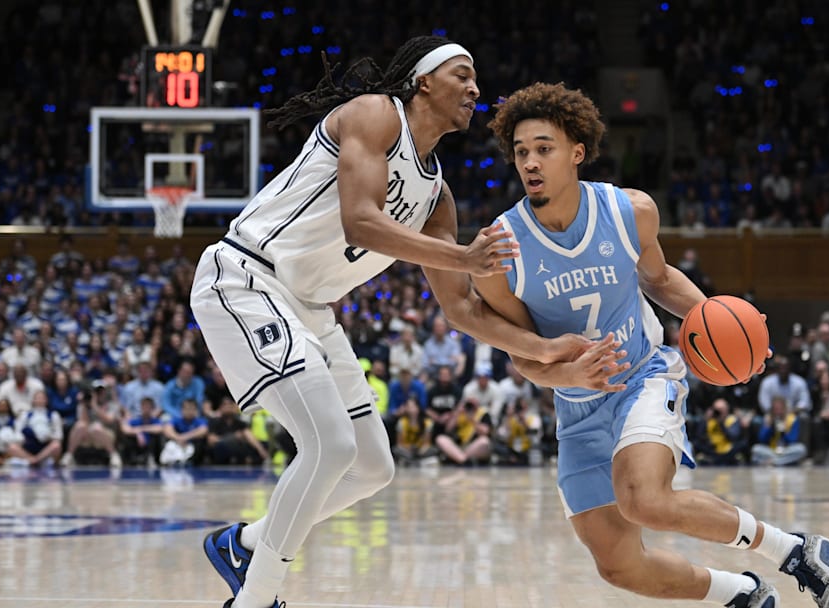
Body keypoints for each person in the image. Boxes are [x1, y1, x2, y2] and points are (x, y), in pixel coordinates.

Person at [189, 38, 618, 608]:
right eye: (462, 75)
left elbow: (462, 310)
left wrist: (544, 348)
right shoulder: (373, 115)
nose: (474, 88)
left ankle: (246, 544)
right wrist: (464, 256)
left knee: (371, 465)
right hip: (248, 277)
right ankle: (258, 597)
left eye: (476, 78)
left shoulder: (436, 196)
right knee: (330, 445)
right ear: (422, 82)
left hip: (310, 309)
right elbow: (361, 223)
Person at [473, 82, 829, 608]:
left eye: (544, 148)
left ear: (576, 152)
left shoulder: (629, 211)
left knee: (644, 500)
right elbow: (522, 352)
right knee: (619, 566)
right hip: (577, 409)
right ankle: (741, 594)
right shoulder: (502, 249)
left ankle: (797, 552)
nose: (530, 163)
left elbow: (658, 279)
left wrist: (725, 330)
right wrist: (567, 376)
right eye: (521, 152)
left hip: (645, 377)